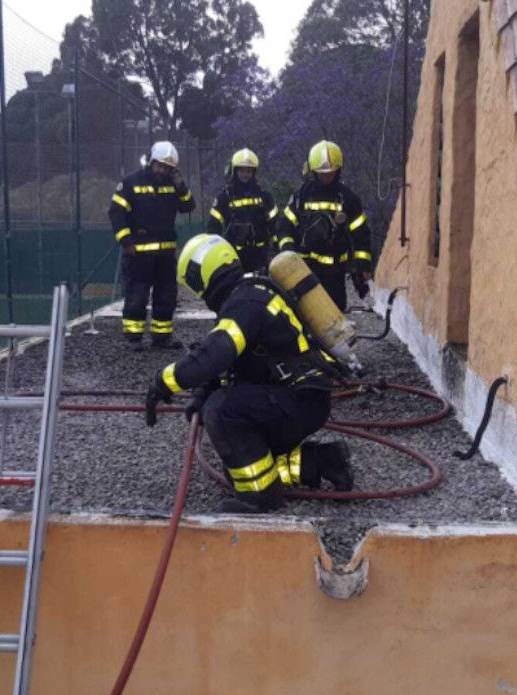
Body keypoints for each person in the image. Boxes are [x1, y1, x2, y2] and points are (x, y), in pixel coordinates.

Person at [144, 234, 354, 514]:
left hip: (297, 401)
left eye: (195, 284)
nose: (200, 293)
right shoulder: (246, 295)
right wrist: (201, 395)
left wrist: (164, 381)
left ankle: (262, 497)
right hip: (299, 398)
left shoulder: (245, 302)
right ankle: (322, 461)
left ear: (204, 273)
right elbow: (227, 365)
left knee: (222, 411)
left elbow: (217, 352)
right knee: (241, 467)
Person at [108, 141, 196, 350]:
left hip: (165, 253)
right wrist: (125, 240)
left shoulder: (172, 185)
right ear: (151, 161)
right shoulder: (131, 183)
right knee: (137, 294)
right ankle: (134, 337)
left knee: (166, 295)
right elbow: (116, 212)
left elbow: (188, 206)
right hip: (139, 253)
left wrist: (181, 186)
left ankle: (162, 337)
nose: (163, 170)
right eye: (160, 166)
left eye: (168, 167)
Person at [272, 140, 373, 311]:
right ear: (313, 171)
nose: (327, 176)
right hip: (304, 269)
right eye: (322, 173)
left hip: (335, 271)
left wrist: (362, 267)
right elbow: (285, 225)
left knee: (335, 314)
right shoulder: (301, 196)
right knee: (304, 312)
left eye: (331, 172)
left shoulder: (348, 198)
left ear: (338, 170)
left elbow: (361, 235)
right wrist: (287, 249)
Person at [206, 148, 276, 274]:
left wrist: (276, 248)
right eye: (242, 170)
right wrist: (215, 250)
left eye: (249, 170)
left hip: (260, 255)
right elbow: (213, 225)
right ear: (234, 171)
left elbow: (275, 223)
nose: (246, 174)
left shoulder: (264, 195)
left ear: (254, 172)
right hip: (234, 256)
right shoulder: (224, 197)